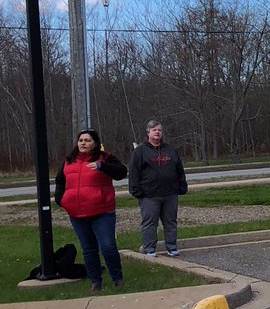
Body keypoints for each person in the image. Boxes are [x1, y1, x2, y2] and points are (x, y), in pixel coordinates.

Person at [55, 129, 127, 291]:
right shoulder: (69, 161)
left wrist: (102, 166)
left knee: (108, 247)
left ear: (95, 143)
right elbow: (60, 181)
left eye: (87, 140)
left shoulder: (105, 158)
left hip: (102, 212)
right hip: (77, 214)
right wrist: (61, 199)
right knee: (88, 249)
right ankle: (95, 282)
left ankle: (118, 278)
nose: (83, 143)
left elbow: (121, 172)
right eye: (81, 140)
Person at [128, 120, 187, 258]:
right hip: (149, 195)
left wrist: (182, 185)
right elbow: (134, 172)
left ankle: (172, 247)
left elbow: (179, 169)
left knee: (171, 222)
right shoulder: (140, 151)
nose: (157, 132)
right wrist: (136, 190)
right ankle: (149, 249)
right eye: (154, 130)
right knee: (150, 223)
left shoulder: (170, 149)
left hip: (170, 194)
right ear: (148, 132)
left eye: (159, 130)